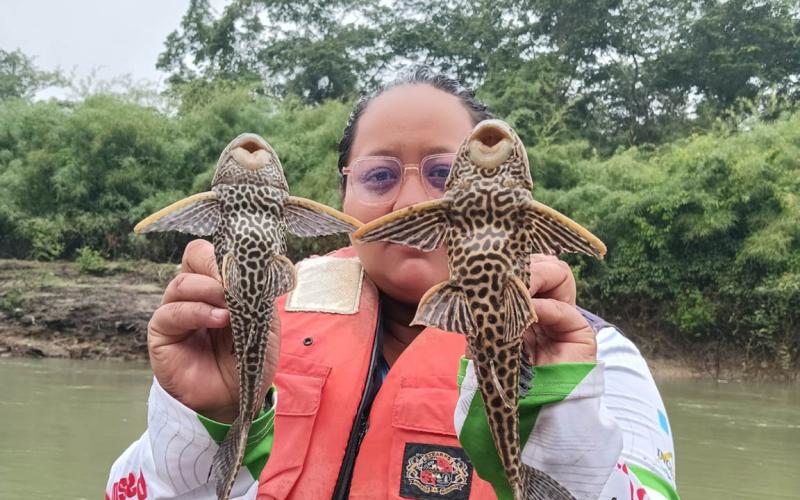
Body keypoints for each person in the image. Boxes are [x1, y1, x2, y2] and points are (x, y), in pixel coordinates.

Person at [106, 67, 678, 500]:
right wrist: (201, 419)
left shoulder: (597, 358)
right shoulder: (240, 330)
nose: (411, 201)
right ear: (340, 200)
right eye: (379, 176)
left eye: (442, 173)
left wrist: (558, 414)